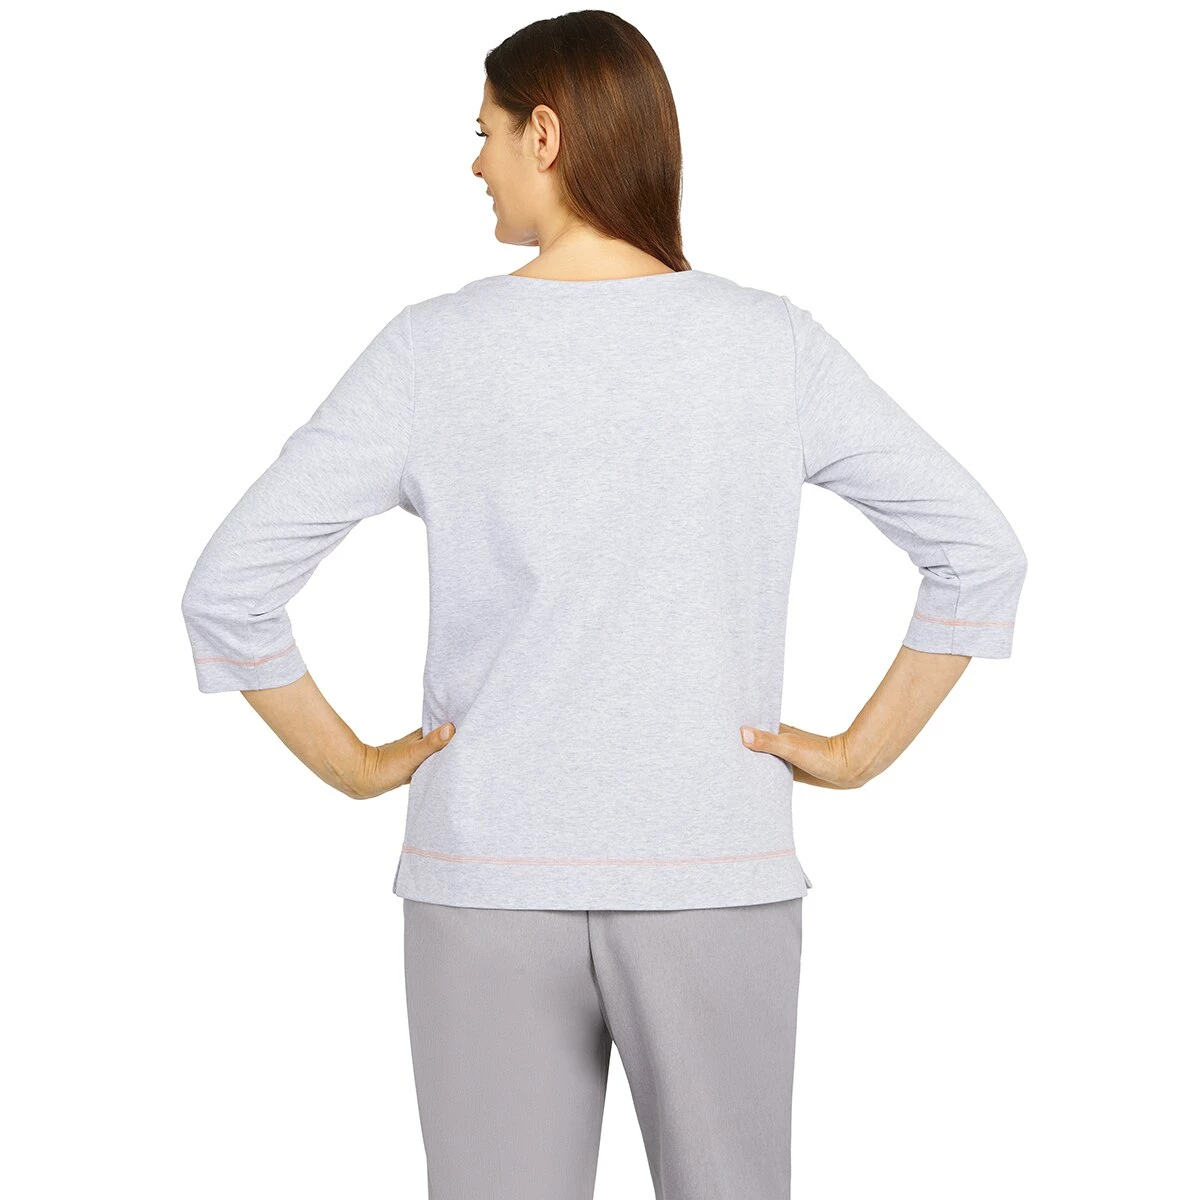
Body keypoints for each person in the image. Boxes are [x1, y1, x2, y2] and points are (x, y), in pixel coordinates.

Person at [180, 10, 1028, 1199]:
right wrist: (858, 753)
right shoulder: (768, 346)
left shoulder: (432, 351)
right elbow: (978, 551)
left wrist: (357, 767)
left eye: (484, 132)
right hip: (712, 870)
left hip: (485, 877)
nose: (473, 163)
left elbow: (229, 588)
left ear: (546, 133)